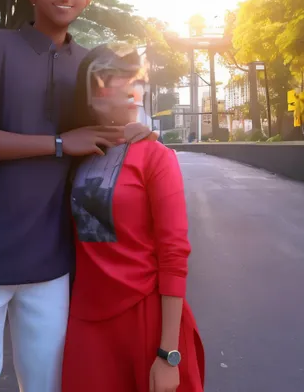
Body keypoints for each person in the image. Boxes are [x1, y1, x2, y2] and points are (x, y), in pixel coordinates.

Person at [0, 0, 151, 392]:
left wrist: (135, 132)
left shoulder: (89, 65)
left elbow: (107, 131)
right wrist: (57, 143)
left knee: (48, 384)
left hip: (52, 260)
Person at [62, 45, 205, 392]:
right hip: (86, 319)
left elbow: (173, 252)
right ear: (90, 95)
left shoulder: (156, 156)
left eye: (134, 80)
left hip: (146, 317)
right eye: (111, 81)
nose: (129, 90)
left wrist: (168, 352)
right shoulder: (75, 154)